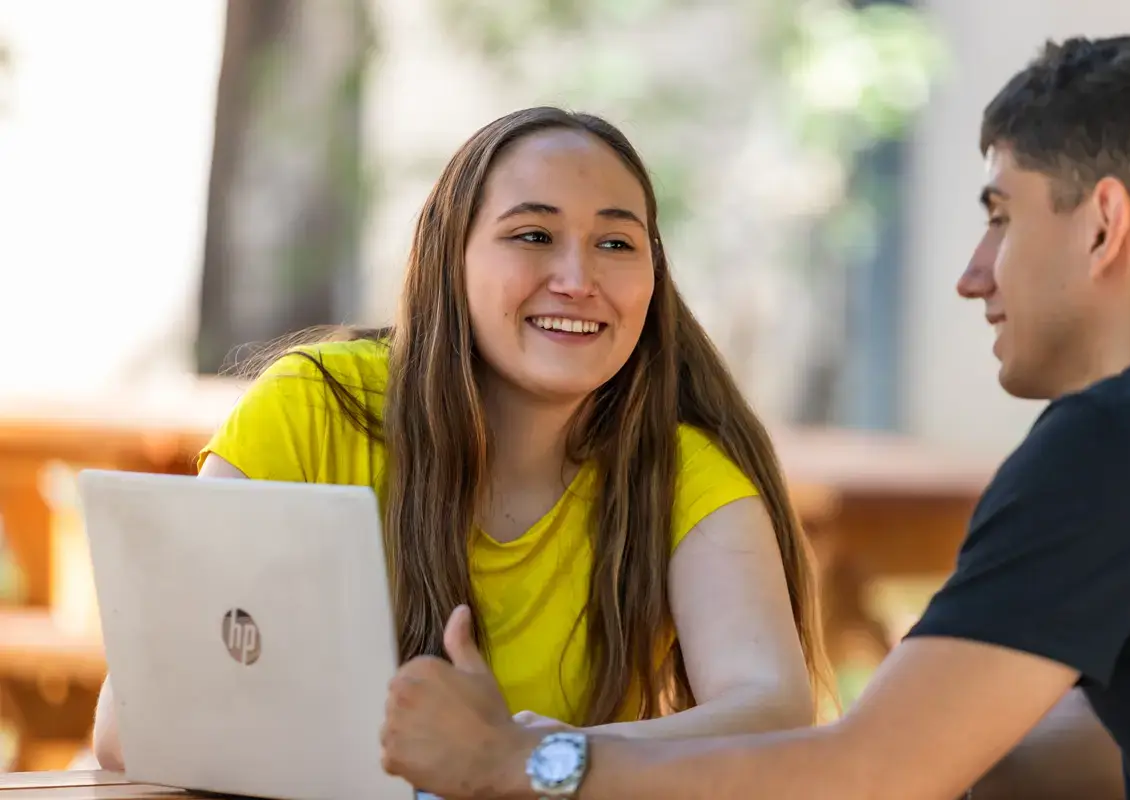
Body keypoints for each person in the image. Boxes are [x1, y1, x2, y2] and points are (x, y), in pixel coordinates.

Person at [374, 34, 1130, 800]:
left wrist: (520, 762)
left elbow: (865, 778)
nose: (973, 272)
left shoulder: (1121, 439)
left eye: (1001, 215)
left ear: (1104, 226)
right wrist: (944, 748)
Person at [91, 107, 830, 771]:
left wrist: (525, 757)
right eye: (533, 235)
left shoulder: (684, 474)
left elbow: (772, 712)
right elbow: (133, 725)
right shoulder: (315, 408)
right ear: (453, 259)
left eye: (615, 242)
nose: (577, 277)